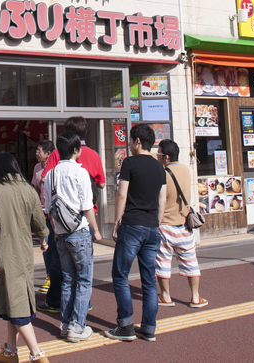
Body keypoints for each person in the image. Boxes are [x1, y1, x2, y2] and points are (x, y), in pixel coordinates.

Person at [0, 152, 51, 363]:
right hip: (24, 253)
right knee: (14, 301)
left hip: (6, 253)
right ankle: (10, 351)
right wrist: (43, 239)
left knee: (16, 305)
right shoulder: (29, 189)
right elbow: (39, 220)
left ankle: (37, 354)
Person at [103, 124, 166, 343]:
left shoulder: (129, 163)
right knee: (149, 279)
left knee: (121, 275)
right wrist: (156, 223)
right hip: (152, 227)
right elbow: (162, 199)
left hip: (132, 225)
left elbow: (122, 194)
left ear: (137, 141)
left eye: (130, 140)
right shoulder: (159, 167)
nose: (129, 144)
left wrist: (116, 222)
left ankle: (125, 325)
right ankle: (149, 328)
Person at [40, 132, 102, 342]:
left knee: (67, 279)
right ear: (76, 150)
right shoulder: (80, 172)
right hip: (79, 231)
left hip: (60, 233)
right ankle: (77, 326)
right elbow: (87, 206)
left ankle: (66, 324)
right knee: (83, 279)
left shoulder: (50, 175)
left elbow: (48, 208)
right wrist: (96, 230)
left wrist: (55, 229)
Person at [155, 139, 206, 308]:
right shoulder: (186, 170)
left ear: (167, 157)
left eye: (159, 153)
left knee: (163, 262)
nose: (157, 155)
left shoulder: (162, 174)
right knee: (191, 262)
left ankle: (166, 296)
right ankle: (195, 297)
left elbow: (160, 200)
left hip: (165, 224)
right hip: (184, 224)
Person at [31, 139, 55, 294]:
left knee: (56, 246)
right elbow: (35, 189)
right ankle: (49, 275)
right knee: (45, 246)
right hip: (42, 212)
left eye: (39, 151)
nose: (37, 153)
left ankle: (56, 277)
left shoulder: (56, 167)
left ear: (48, 153)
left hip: (54, 213)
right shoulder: (37, 168)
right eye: (37, 150)